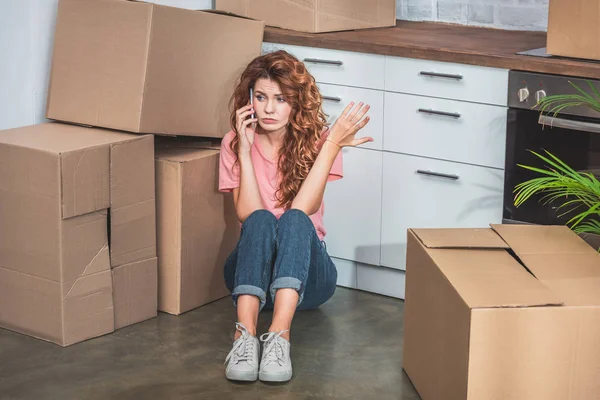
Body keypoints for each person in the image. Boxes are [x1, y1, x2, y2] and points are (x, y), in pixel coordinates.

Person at [218, 50, 372, 383]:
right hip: (250, 275)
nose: (269, 108)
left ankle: (279, 337)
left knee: (293, 219)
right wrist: (244, 151)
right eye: (261, 97)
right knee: (259, 220)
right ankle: (243, 338)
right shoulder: (233, 141)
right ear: (249, 100)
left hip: (309, 280)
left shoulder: (319, 142)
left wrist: (331, 145)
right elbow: (246, 214)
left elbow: (304, 210)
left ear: (297, 102)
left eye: (281, 99)